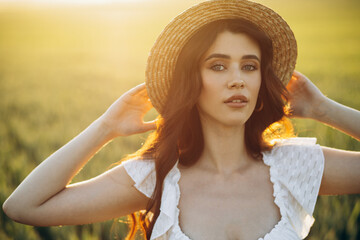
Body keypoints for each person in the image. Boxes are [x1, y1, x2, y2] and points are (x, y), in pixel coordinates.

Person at [2, 0, 360, 239]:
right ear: (192, 81)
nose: (238, 79)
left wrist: (327, 110)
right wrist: (105, 128)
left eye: (249, 66)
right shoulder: (156, 176)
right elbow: (23, 207)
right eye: (218, 65)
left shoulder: (296, 165)